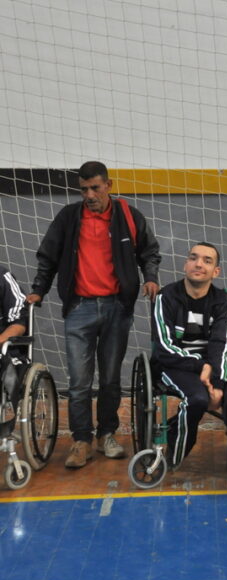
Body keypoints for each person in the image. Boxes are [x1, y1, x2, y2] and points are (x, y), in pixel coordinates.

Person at [27, 161, 161, 469]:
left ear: (109, 186)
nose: (89, 195)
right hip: (79, 309)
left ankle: (107, 435)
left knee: (110, 379)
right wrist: (38, 290)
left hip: (117, 308)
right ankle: (81, 441)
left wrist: (151, 277)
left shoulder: (129, 216)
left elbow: (149, 252)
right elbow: (47, 256)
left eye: (95, 188)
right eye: (84, 189)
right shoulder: (68, 218)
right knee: (79, 382)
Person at [151, 242, 227, 491]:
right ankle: (177, 443)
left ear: (216, 271)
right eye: (193, 258)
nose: (199, 264)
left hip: (215, 364)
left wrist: (218, 383)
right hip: (176, 364)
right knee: (198, 398)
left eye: (207, 260)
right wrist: (200, 366)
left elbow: (221, 343)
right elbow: (164, 346)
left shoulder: (223, 301)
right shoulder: (165, 297)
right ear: (185, 264)